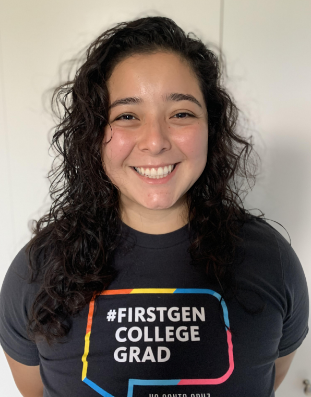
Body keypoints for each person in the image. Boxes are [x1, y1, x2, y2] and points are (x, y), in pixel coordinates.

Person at [0, 16, 309, 397]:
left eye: (181, 113)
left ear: (210, 127)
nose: (155, 141)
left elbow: (267, 380)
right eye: (127, 116)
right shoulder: (36, 271)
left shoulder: (271, 260)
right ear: (94, 134)